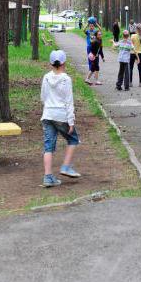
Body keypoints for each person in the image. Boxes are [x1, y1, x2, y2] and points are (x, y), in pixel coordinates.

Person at [41, 50, 81, 187]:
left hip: (47, 115)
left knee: (48, 147)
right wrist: (71, 121)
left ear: (51, 63)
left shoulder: (46, 77)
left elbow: (43, 97)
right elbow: (69, 101)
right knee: (73, 139)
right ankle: (65, 167)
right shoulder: (66, 79)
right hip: (61, 116)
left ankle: (47, 177)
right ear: (64, 62)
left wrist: (49, 107)